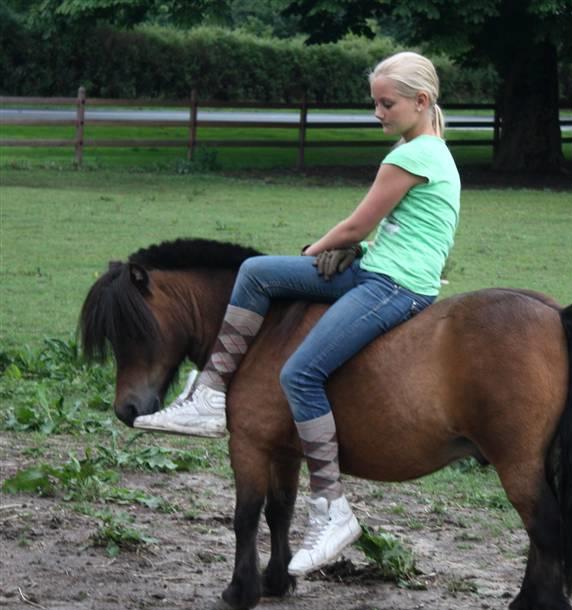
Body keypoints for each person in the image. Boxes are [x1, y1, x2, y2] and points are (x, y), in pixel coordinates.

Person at [134, 51, 461, 576]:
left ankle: (332, 509)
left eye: (387, 103)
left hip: (394, 287)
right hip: (377, 269)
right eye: (375, 103)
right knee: (258, 272)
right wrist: (342, 250)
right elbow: (390, 233)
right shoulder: (423, 150)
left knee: (301, 373)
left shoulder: (412, 156)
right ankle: (211, 392)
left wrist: (316, 252)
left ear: (421, 102)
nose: (378, 112)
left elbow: (356, 227)